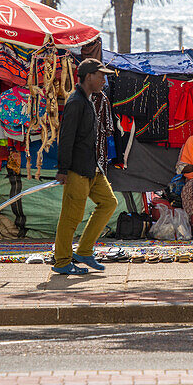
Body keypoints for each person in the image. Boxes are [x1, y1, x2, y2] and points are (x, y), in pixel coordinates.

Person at [52, 58, 119, 276]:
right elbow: (66, 137)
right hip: (77, 170)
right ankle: (62, 261)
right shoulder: (76, 102)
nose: (104, 80)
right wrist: (63, 169)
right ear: (89, 76)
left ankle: (84, 251)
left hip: (92, 168)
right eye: (101, 75)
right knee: (71, 217)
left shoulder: (88, 99)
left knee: (109, 203)